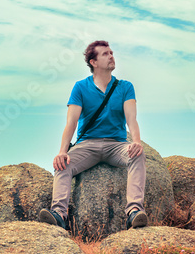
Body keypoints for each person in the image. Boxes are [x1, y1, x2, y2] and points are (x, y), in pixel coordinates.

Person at [38, 40, 147, 230]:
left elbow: (132, 119)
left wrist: (136, 141)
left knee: (138, 155)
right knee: (63, 164)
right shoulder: (80, 87)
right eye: (105, 54)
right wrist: (62, 151)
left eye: (111, 52)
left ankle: (134, 212)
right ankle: (59, 215)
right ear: (93, 62)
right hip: (87, 145)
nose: (111, 56)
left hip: (116, 145)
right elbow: (71, 122)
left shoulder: (125, 87)